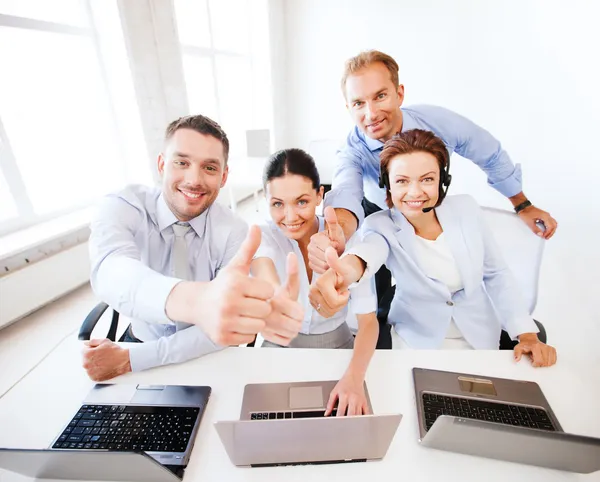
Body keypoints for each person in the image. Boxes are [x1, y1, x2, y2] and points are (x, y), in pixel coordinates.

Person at [308, 49, 558, 348]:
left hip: (436, 210)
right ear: (348, 107)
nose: (371, 113)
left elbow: (488, 153)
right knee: (379, 292)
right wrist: (340, 239)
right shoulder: (355, 162)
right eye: (359, 103)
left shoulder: (461, 197)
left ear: (399, 93)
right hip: (382, 212)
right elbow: (348, 200)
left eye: (380, 96)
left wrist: (522, 203)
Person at [83, 115, 303, 381]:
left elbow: (220, 327)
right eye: (181, 162)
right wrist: (199, 302)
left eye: (210, 168)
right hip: (139, 341)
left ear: (223, 177)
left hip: (205, 353)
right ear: (162, 164)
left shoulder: (235, 230)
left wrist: (133, 360)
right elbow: (112, 270)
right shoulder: (123, 205)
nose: (194, 179)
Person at [309, 129, 557, 367]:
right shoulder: (380, 224)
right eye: (402, 181)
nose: (415, 192)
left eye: (427, 179)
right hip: (416, 343)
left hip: (479, 340)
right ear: (388, 185)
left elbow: (496, 274)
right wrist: (342, 273)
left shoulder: (466, 209)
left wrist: (526, 334)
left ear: (442, 181)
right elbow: (366, 254)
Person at [251, 148, 379, 415]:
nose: (290, 216)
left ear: (320, 195)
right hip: (277, 346)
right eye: (277, 204)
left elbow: (368, 323)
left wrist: (354, 380)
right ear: (266, 200)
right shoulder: (262, 236)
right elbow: (262, 267)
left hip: (338, 347)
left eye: (301, 202)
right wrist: (274, 297)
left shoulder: (347, 238)